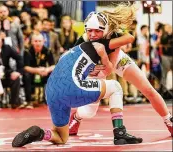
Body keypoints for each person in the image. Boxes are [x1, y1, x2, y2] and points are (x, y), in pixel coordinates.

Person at [12, 37, 143, 147]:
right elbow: (128, 38)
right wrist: (103, 53)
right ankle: (119, 132)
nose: (94, 34)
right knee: (115, 87)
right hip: (73, 86)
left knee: (62, 137)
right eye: (92, 31)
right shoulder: (97, 44)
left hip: (51, 91)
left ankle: (40, 133)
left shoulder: (72, 50)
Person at [69, 3, 173, 138]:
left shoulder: (114, 33)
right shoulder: (82, 41)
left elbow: (111, 65)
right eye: (90, 31)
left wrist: (107, 46)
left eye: (97, 31)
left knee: (148, 89)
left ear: (106, 29)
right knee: (90, 112)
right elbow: (75, 66)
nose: (93, 35)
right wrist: (89, 71)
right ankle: (77, 116)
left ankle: (168, 119)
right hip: (94, 66)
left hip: (113, 60)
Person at [0, 35, 23, 108]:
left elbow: (19, 58)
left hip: (5, 74)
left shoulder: (7, 48)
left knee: (16, 78)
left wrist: (18, 72)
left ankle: (14, 103)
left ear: (1, 43)